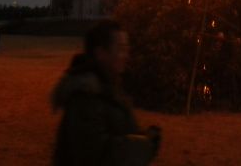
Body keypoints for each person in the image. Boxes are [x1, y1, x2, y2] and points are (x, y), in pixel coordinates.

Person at [52, 20, 160, 166]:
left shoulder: (109, 86)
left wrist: (143, 137)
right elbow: (95, 156)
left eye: (127, 48)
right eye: (121, 49)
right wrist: (144, 145)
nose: (126, 55)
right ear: (101, 53)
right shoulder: (86, 97)